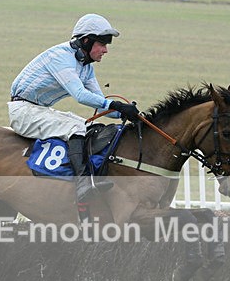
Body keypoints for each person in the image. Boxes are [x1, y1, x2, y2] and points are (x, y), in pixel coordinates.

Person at [8, 13, 140, 222]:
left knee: (84, 125)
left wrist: (125, 112)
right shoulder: (61, 57)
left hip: (38, 109)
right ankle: (83, 183)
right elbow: (80, 96)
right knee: (75, 127)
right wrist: (113, 105)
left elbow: (98, 101)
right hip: (23, 112)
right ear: (85, 41)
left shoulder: (86, 67)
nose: (106, 50)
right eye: (103, 43)